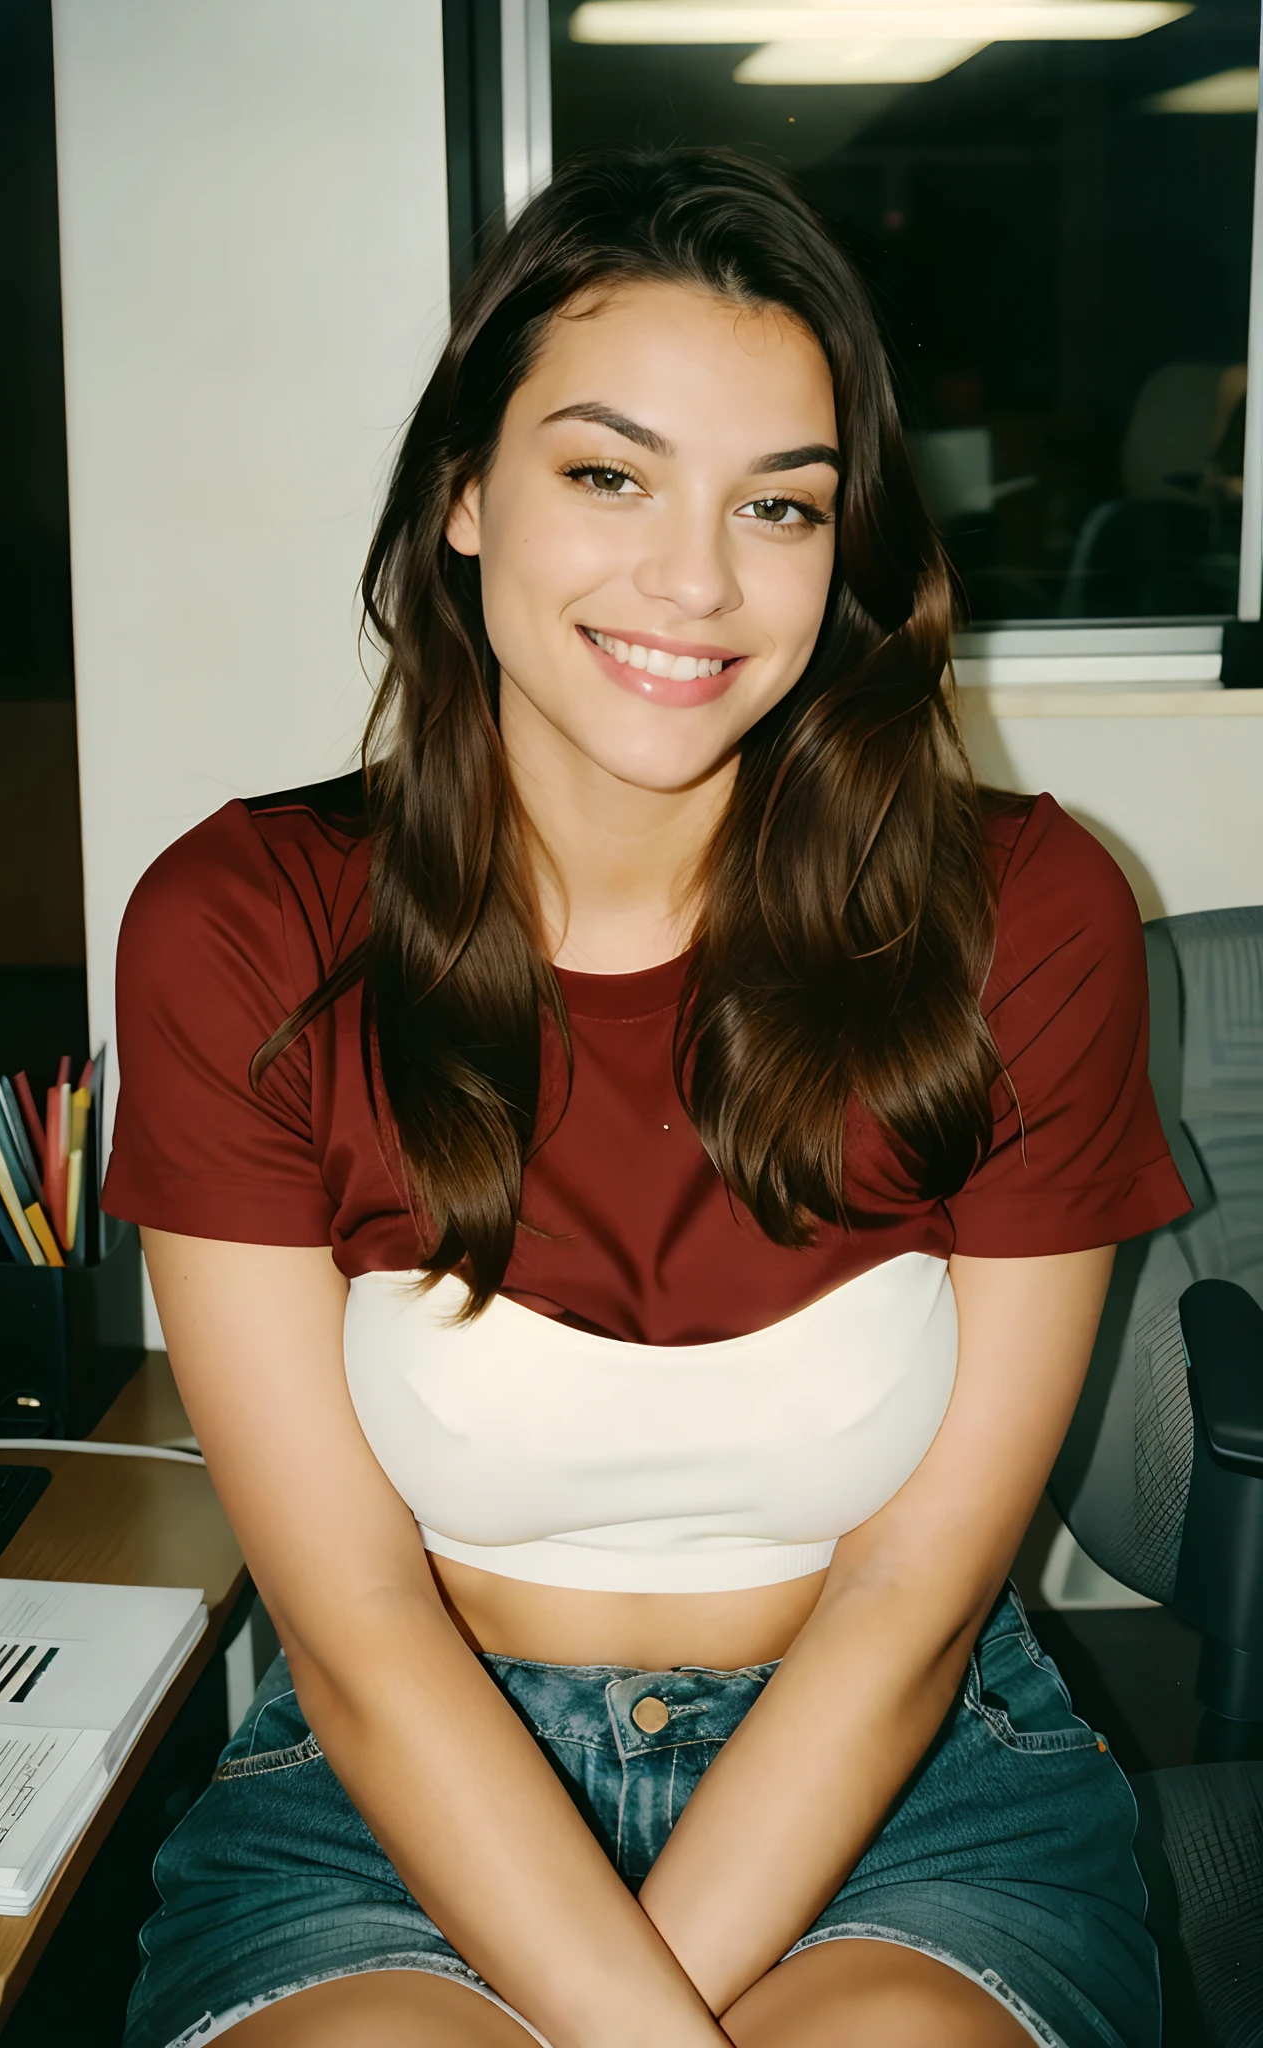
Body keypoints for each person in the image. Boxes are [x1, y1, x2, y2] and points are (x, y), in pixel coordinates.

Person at [106, 147, 1190, 2048]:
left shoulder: (1027, 912)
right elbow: (355, 1630)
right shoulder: (246, 927)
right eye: (607, 474)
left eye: (780, 505)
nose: (695, 580)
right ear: (462, 492)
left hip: (911, 1778)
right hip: (404, 1787)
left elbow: (917, 1604)